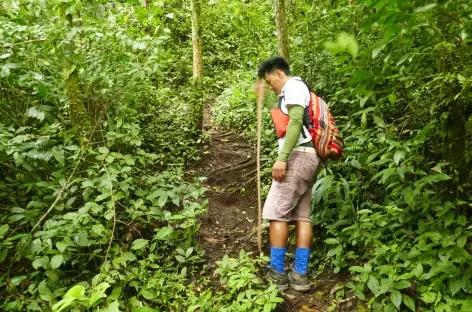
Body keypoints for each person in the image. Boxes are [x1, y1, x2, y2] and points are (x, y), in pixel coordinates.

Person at [255, 57, 322, 292]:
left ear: (279, 74)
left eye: (269, 80)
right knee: (302, 216)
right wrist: (263, 96)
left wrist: (282, 158)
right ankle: (300, 275)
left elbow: (294, 123)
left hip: (297, 157)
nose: (270, 85)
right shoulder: (295, 89)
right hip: (309, 157)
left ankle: (277, 273)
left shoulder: (293, 86)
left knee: (276, 213)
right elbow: (285, 113)